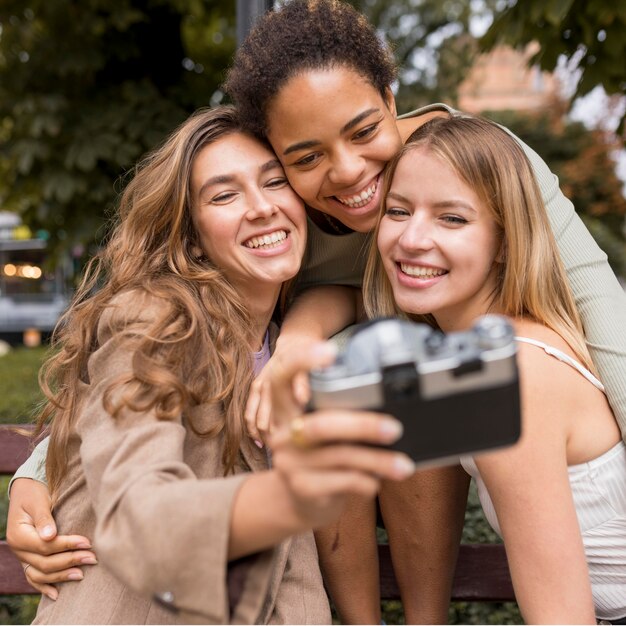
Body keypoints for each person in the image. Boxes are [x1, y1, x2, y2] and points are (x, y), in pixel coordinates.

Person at [9, 0, 626, 621]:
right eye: (303, 159)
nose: (350, 170)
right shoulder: (275, 223)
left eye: (363, 132)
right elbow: (130, 368)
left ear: (390, 99)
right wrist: (38, 471)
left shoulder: (478, 164)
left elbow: (605, 319)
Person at [7, 105, 416, 624]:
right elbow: (139, 509)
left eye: (274, 183)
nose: (262, 207)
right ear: (189, 229)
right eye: (224, 195)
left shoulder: (279, 338)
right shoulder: (156, 321)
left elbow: (371, 297)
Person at [363, 114, 626, 624]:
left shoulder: (510, 377)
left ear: (505, 241)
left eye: (452, 219)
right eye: (398, 211)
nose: (412, 238)